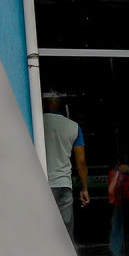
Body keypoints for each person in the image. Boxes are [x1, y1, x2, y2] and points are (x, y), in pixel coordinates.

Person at [41, 91, 90, 233]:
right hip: (63, 184)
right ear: (59, 103)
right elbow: (81, 161)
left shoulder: (35, 123)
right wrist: (84, 189)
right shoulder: (73, 127)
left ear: (44, 103)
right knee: (65, 232)